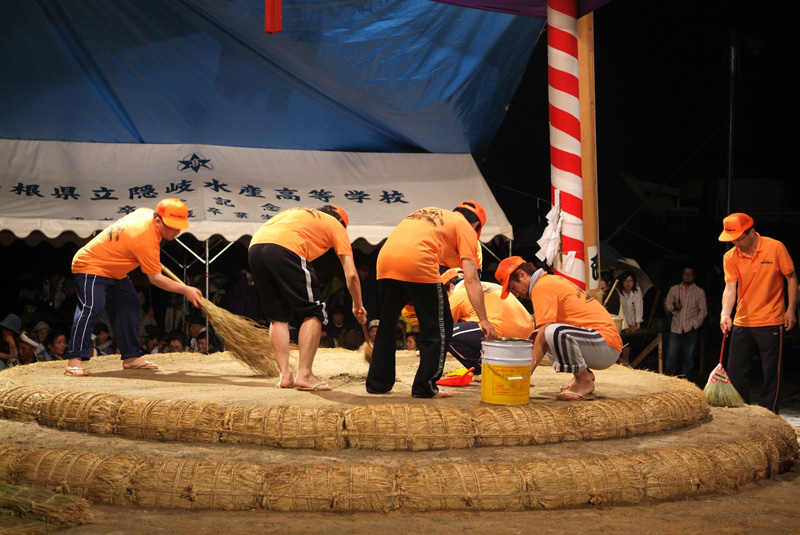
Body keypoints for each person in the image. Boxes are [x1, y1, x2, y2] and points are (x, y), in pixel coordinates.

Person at [366, 201, 498, 399]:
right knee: (439, 326)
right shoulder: (466, 230)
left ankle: (378, 383)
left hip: (385, 260)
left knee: (387, 324)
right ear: (477, 226)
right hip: (418, 260)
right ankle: (425, 386)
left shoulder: (431, 214)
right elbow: (471, 279)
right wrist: (484, 319)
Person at [64, 198, 205, 376]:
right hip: (91, 265)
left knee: (131, 303)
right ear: (158, 221)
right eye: (172, 226)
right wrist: (185, 289)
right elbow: (155, 279)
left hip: (116, 271)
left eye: (179, 226)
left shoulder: (146, 213)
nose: (177, 231)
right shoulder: (145, 238)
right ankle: (75, 358)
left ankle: (130, 356)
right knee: (92, 306)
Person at [248, 205, 367, 390]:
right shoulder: (336, 226)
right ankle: (304, 375)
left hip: (255, 248)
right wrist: (357, 304)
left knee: (278, 316)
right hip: (286, 248)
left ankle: (285, 375)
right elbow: (351, 274)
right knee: (315, 311)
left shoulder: (298, 214)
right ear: (342, 223)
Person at [495, 256, 622, 400]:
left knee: (551, 332)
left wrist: (524, 375)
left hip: (605, 346)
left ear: (522, 275)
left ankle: (583, 381)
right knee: (541, 334)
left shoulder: (541, 287)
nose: (516, 295)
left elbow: (545, 333)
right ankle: (585, 374)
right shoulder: (547, 281)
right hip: (599, 344)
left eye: (513, 288)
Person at [718, 213, 797, 413]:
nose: (735, 243)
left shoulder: (775, 247)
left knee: (771, 372)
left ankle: (768, 413)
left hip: (771, 320)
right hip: (742, 321)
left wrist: (791, 310)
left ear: (751, 232)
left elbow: (792, 278)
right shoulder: (730, 257)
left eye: (738, 238)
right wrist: (725, 314)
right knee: (735, 371)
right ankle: (741, 412)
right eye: (731, 240)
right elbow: (730, 288)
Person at [443, 268, 536, 380]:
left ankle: (483, 371)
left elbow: (442, 327)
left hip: (501, 334)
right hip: (528, 339)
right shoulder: (491, 285)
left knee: (446, 334)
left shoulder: (459, 293)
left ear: (452, 286)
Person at [663, 267, 707, 379]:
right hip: (676, 326)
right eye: (685, 274)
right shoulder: (674, 289)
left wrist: (695, 324)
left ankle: (686, 379)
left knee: (689, 355)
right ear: (682, 275)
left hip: (690, 326)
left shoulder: (699, 291)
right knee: (671, 354)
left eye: (690, 274)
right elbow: (667, 304)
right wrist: (674, 306)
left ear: (694, 276)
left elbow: (703, 310)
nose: (687, 276)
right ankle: (669, 378)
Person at [616, 271, 643, 367]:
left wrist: (637, 325)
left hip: (632, 325)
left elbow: (638, 307)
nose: (628, 283)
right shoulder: (618, 292)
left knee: (626, 352)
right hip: (621, 324)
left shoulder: (637, 291)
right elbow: (621, 311)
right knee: (619, 353)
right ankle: (627, 368)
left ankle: (627, 367)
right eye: (625, 280)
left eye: (630, 280)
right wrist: (626, 325)